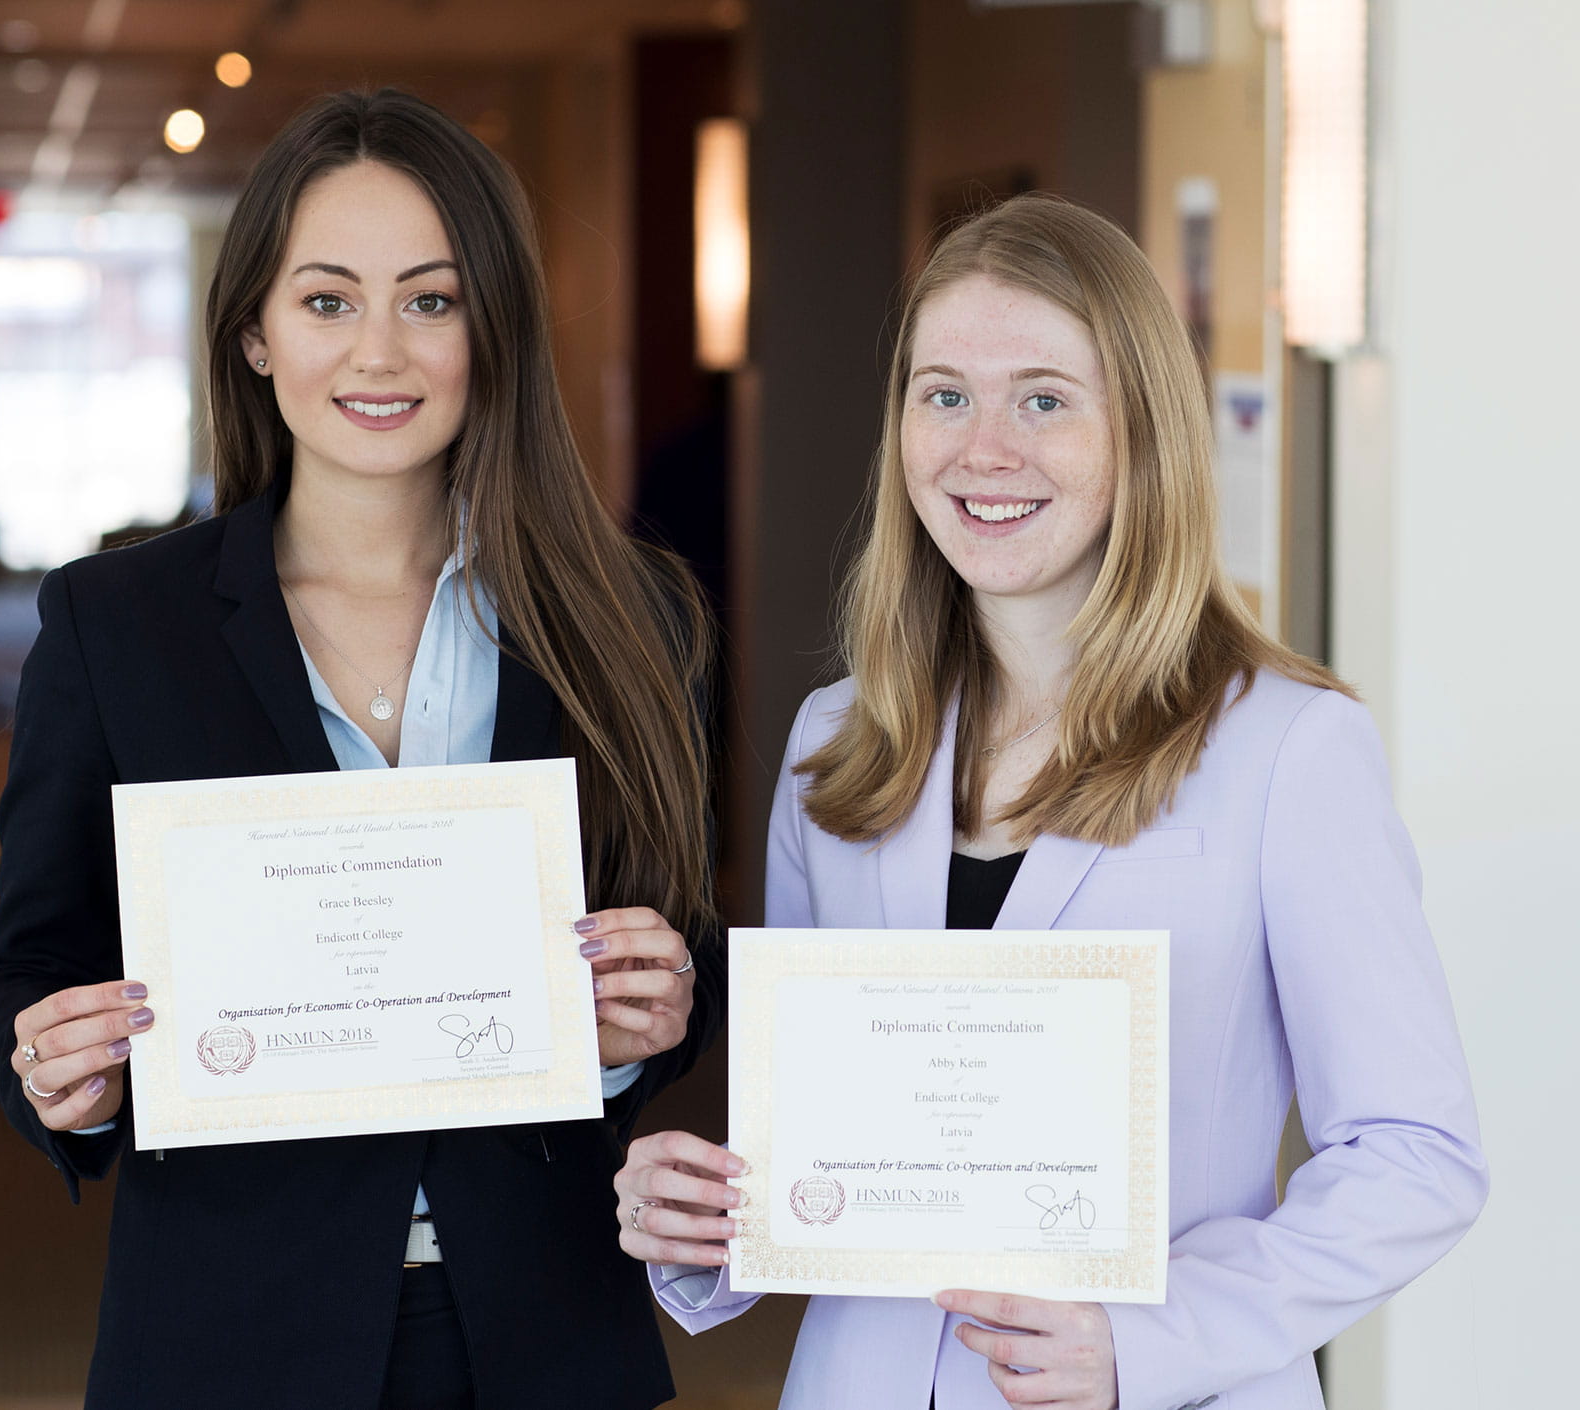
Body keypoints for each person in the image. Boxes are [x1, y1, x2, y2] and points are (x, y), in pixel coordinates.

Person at [613, 194, 1485, 1410]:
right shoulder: (838, 742)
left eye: (1042, 397)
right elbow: (815, 1141)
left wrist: (1153, 1340)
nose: (983, 449)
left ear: (1141, 431)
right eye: (943, 394)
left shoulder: (1290, 751)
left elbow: (1415, 1156)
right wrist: (702, 1221)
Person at [0, 89, 722, 1410]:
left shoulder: (626, 611)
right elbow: (32, 964)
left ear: (492, 329)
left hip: (541, 1330)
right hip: (227, 1332)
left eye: (430, 301)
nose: (381, 350)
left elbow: (679, 939)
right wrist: (63, 1076)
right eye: (329, 301)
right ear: (255, 331)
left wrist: (645, 1023)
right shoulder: (116, 624)